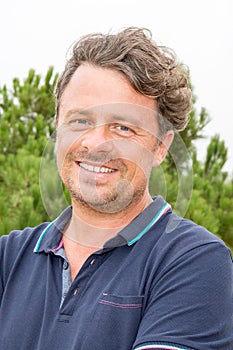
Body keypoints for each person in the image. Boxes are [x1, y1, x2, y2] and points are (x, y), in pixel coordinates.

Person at [0, 27, 232, 350]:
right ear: (57, 126)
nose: (96, 144)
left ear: (161, 147)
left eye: (123, 127)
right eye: (79, 121)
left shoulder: (195, 262)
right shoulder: (7, 258)